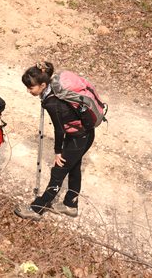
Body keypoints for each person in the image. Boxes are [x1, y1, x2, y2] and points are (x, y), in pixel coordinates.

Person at [14, 61, 95, 221]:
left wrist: (57, 151)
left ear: (43, 85)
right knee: (74, 166)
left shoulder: (52, 102)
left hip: (79, 136)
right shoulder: (55, 86)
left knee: (58, 170)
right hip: (86, 132)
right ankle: (70, 205)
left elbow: (59, 129)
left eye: (31, 87)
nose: (28, 91)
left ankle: (37, 209)